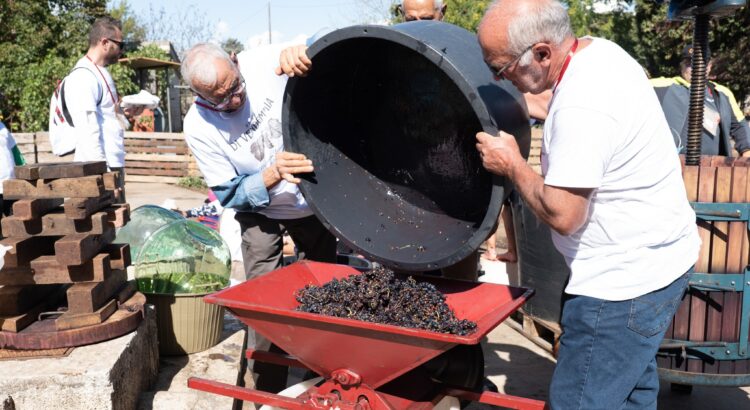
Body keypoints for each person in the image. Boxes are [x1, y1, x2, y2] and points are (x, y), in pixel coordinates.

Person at [475, 1, 700, 408]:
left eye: (502, 68)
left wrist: (511, 164)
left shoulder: (583, 104)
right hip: (661, 264)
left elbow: (564, 214)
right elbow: (552, 103)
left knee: (580, 401)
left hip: (618, 288)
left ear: (542, 53)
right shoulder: (599, 53)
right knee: (629, 392)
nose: (498, 77)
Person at [181, 42, 336, 393]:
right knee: (264, 304)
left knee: (328, 289)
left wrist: (305, 54)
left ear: (236, 62)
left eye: (236, 88)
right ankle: (268, 391)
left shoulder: (267, 61)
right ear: (197, 94)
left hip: (313, 197)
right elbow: (229, 193)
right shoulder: (198, 126)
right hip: (261, 210)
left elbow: (332, 53)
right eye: (220, 100)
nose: (233, 101)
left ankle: (327, 377)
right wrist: (271, 174)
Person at [60, 16, 127, 201]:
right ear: (105, 42)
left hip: (112, 164)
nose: (122, 50)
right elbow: (87, 130)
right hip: (101, 169)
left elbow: (106, 116)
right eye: (120, 45)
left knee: (117, 228)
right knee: (109, 228)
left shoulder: (99, 72)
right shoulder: (83, 77)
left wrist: (126, 112)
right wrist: (104, 177)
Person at [651, 44, 750, 157]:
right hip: (670, 165)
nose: (695, 68)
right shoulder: (662, 86)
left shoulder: (722, 94)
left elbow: (739, 126)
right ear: (682, 66)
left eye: (701, 63)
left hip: (712, 168)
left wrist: (747, 151)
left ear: (709, 66)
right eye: (690, 63)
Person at [1, 121, 25, 216]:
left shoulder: (2, 126)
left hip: (11, 185)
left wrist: (24, 169)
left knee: (15, 225)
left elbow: (15, 151)